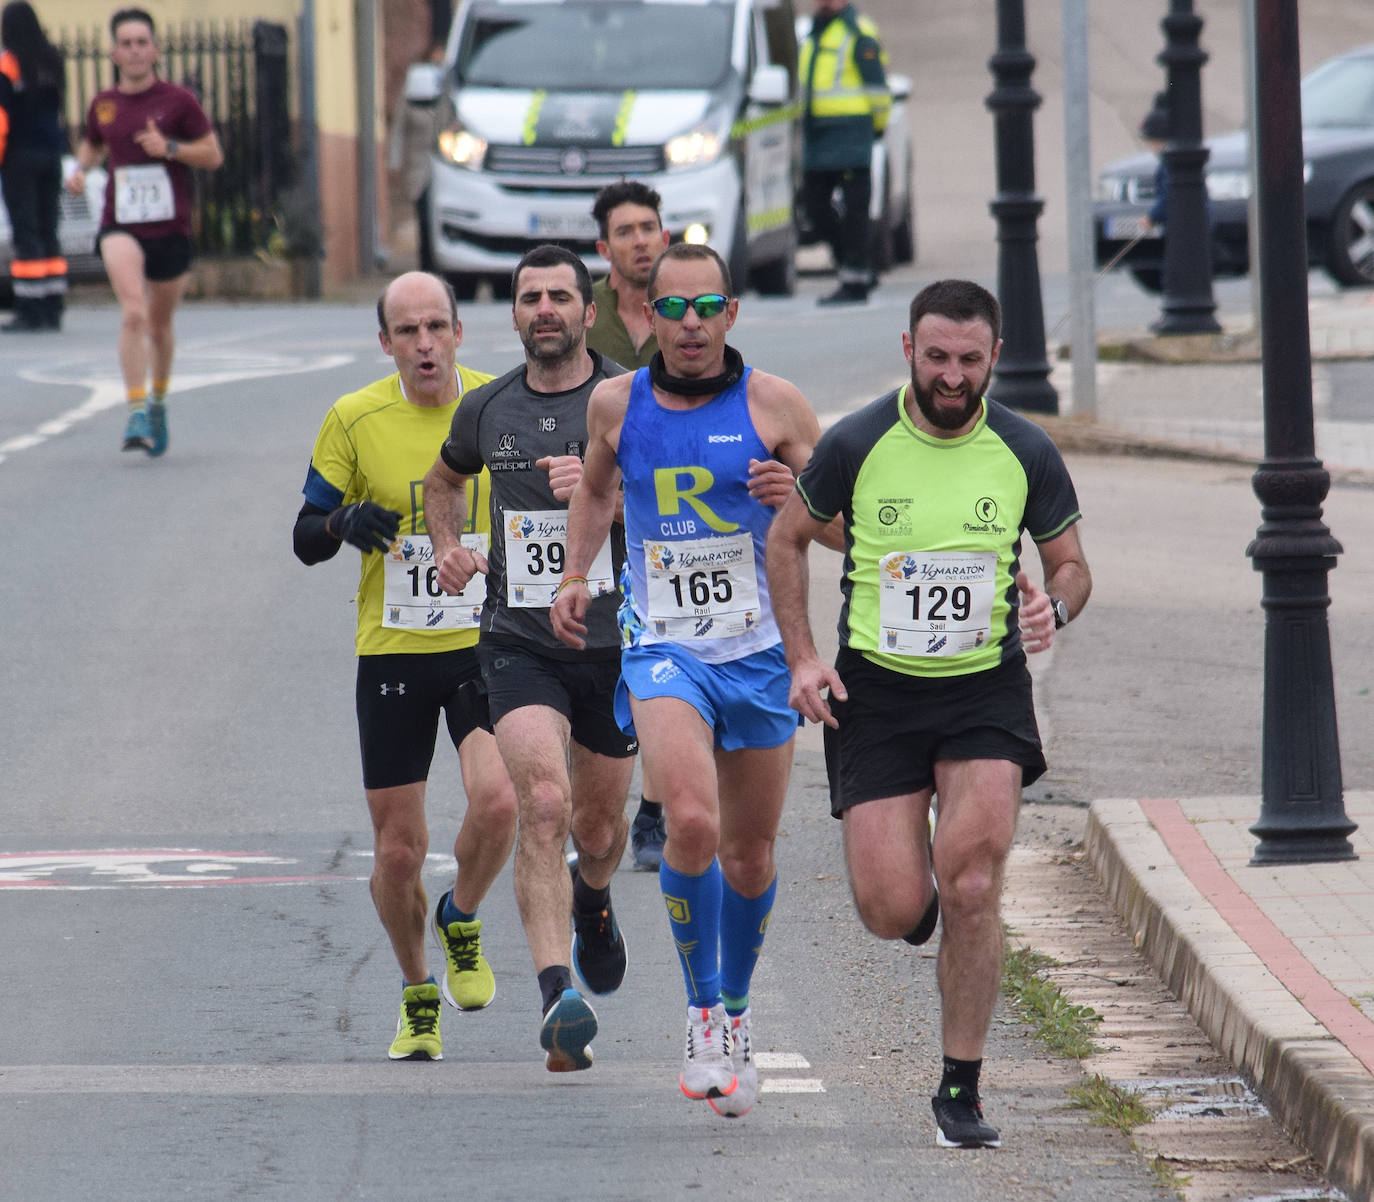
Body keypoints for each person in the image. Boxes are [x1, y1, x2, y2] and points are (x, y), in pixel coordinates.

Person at [765, 279, 1092, 1147]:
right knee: (889, 905)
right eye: (938, 357)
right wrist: (803, 656)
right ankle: (925, 916)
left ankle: (961, 1088)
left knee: (975, 881)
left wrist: (1050, 609)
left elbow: (1071, 566)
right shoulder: (857, 441)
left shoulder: (1024, 448)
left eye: (970, 360)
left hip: (984, 687)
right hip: (878, 691)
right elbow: (787, 538)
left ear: (994, 357)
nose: (953, 376)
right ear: (909, 350)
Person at [551, 242, 827, 1117]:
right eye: (672, 311)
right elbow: (595, 493)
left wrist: (799, 500)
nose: (691, 326)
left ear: (732, 314)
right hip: (662, 645)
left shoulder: (775, 403)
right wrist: (574, 574)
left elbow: (847, 526)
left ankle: (738, 1013)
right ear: (649, 317)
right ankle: (702, 1010)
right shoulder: (615, 403)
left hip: (758, 651)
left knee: (750, 853)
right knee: (694, 822)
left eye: (706, 309)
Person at [292, 271, 519, 1062]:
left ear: (460, 332)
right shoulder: (354, 418)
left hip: (488, 644)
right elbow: (304, 534)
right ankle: (418, 989)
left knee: (497, 802)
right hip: (392, 651)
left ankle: (462, 912)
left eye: (436, 327)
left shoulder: (500, 406)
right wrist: (342, 522)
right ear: (385, 343)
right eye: (407, 332)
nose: (424, 344)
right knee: (397, 850)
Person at [422, 244, 637, 1075]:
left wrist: (600, 489)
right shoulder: (487, 409)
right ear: (513, 317)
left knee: (599, 823)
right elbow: (444, 481)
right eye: (529, 297)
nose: (544, 308)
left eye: (560, 296)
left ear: (589, 313)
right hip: (519, 644)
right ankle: (558, 999)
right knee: (542, 801)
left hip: (617, 645)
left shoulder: (629, 400)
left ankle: (593, 898)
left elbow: (680, 510)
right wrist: (447, 546)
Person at [66, 7, 224, 457]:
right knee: (133, 312)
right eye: (126, 43)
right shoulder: (104, 103)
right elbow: (94, 144)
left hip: (170, 228)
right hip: (121, 224)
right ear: (114, 51)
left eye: (142, 42)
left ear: (155, 49)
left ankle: (157, 400)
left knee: (159, 324)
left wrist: (169, 148)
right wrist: (80, 171)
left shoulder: (178, 102)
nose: (134, 50)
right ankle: (135, 408)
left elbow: (213, 155)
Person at [585, 179, 672, 871]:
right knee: (599, 665)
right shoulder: (587, 317)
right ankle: (599, 809)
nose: (641, 239)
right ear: (604, 247)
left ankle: (654, 809)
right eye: (627, 230)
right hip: (595, 515)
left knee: (658, 663)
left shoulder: (687, 312)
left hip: (672, 524)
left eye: (650, 227)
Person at [798, 0, 891, 306]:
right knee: (814, 208)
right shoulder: (813, 32)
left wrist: (876, 127)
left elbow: (877, 88)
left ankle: (855, 280)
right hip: (818, 136)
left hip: (851, 134)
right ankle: (857, 266)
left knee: (855, 212)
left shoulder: (858, 31)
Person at [0, 1, 67, 333]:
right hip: (51, 154)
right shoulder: (51, 59)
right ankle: (53, 305)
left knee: (26, 232)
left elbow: (1, 117)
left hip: (19, 156)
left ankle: (30, 307)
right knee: (48, 229)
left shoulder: (9, 63)